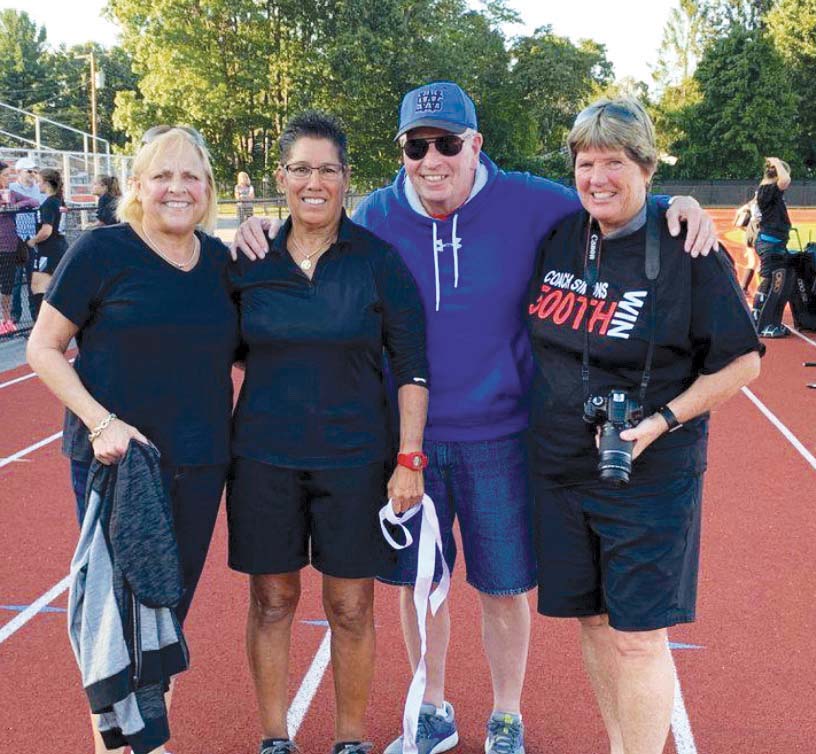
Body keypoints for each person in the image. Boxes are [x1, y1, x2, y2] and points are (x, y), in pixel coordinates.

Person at [233, 81, 718, 754]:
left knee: (502, 587)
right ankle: (431, 706)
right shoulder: (373, 217)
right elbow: (305, 229)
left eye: (448, 143)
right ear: (401, 150)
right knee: (417, 584)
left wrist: (677, 203)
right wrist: (257, 223)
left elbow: (608, 195)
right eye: (416, 146)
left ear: (476, 145)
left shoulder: (528, 201)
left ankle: (506, 715)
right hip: (406, 440)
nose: (433, 160)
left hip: (502, 436)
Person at [526, 97, 761, 754]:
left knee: (637, 636)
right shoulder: (560, 233)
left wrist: (662, 419)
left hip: (651, 473)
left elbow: (744, 363)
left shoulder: (687, 247)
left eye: (614, 163)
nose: (597, 178)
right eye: (586, 163)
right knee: (596, 623)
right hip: (563, 465)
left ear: (648, 167)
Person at [26, 126, 240, 754]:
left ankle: (152, 741)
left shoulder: (221, 263)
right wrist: (101, 421)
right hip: (117, 467)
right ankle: (116, 746)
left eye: (191, 176)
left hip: (201, 463)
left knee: (167, 615)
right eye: (162, 175)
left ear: (207, 189)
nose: (177, 187)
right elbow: (42, 348)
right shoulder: (101, 252)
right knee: (116, 621)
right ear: (139, 185)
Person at [227, 110, 429, 754]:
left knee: (350, 607)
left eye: (328, 169)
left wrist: (409, 458)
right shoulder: (247, 261)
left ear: (347, 179)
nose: (314, 182)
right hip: (263, 458)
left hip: (356, 462)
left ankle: (349, 740)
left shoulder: (379, 263)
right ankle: (274, 737)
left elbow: (413, 369)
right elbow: (219, 346)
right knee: (273, 600)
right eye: (301, 169)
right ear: (281, 178)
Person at [751, 157, 793, 338]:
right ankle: (762, 324)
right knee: (772, 283)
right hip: (771, 243)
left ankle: (765, 321)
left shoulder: (767, 190)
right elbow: (785, 180)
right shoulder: (768, 190)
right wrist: (777, 162)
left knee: (773, 282)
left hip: (773, 242)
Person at [0, 161, 39, 335]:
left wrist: (17, 206)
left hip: (9, 244)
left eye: (9, 174)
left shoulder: (10, 193)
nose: (9, 178)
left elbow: (34, 200)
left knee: (8, 283)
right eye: (6, 174)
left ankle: (6, 320)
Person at [24, 168, 68, 319]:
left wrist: (33, 240)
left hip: (49, 251)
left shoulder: (50, 203)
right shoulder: (59, 200)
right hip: (60, 248)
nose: (37, 185)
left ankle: (41, 324)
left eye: (39, 182)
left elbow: (47, 230)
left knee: (37, 288)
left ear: (47, 183)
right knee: (52, 288)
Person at [9, 156, 44, 326]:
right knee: (16, 279)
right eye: (28, 171)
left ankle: (35, 313)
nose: (32, 174)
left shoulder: (37, 188)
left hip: (32, 237)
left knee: (33, 278)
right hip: (16, 237)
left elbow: (38, 202)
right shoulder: (12, 187)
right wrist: (27, 202)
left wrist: (25, 202)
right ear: (19, 172)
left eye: (33, 171)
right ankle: (15, 314)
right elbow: (12, 205)